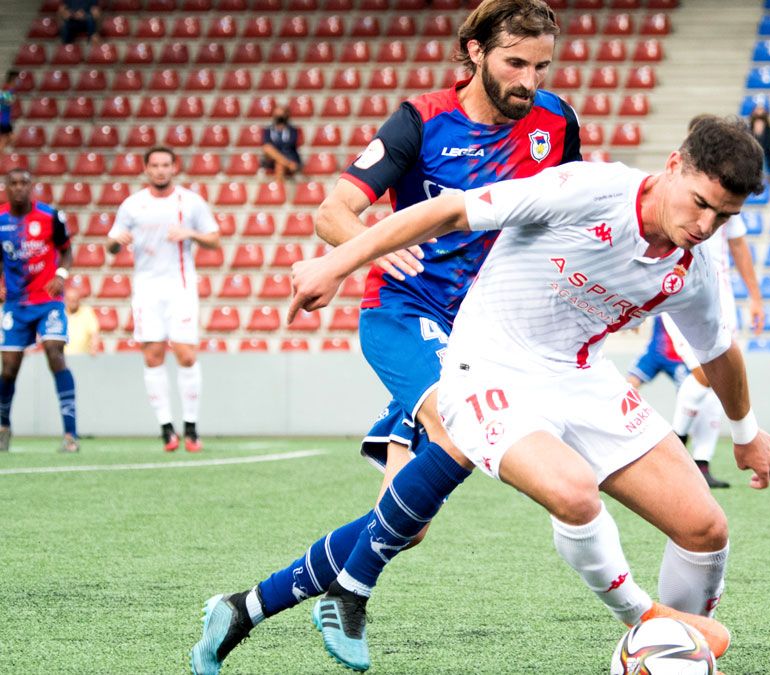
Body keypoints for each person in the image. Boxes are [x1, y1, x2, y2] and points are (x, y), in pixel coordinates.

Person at [288, 114, 770, 671]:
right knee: (572, 492)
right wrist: (338, 263)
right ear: (673, 166)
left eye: (725, 216)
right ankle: (647, 620)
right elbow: (449, 210)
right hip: (488, 366)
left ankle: (659, 660)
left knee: (706, 529)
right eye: (700, 203)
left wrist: (745, 432)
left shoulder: (694, 267)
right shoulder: (590, 190)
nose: (707, 224)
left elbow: (719, 350)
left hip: (580, 376)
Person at [189, 2, 580, 673]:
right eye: (516, 62)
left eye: (541, 65)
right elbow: (332, 211)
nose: (530, 79)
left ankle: (242, 607)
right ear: (474, 52)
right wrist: (367, 249)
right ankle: (351, 590)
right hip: (404, 314)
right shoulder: (420, 120)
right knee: (463, 428)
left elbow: (565, 216)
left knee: (408, 522)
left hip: (483, 338)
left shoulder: (555, 122)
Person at [107, 147, 220, 453]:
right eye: (154, 165)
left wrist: (190, 233)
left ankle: (192, 429)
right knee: (153, 355)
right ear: (146, 168)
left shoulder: (189, 201)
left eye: (165, 165)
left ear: (174, 167)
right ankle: (167, 429)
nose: (160, 170)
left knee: (185, 354)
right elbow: (111, 244)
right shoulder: (133, 205)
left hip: (180, 287)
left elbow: (214, 238)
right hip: (146, 289)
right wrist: (117, 243)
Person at [660, 210, 764, 490]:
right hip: (679, 288)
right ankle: (675, 444)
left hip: (721, 295)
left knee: (720, 378)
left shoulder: (729, 197)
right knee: (704, 372)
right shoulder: (680, 192)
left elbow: (739, 245)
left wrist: (755, 296)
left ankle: (700, 463)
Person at [0, 168, 78, 454]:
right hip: (16, 304)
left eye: (24, 183)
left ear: (31, 186)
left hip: (48, 300)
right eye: (13, 183)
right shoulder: (0, 221)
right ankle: (3, 427)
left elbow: (67, 250)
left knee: (55, 353)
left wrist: (61, 274)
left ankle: (71, 434)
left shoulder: (50, 216)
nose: (19, 188)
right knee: (8, 368)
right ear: (6, 187)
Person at [260, 104, 301, 183]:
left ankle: (279, 191)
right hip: (272, 160)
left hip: (289, 157)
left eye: (281, 115)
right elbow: (266, 144)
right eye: (277, 115)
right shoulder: (269, 130)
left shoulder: (292, 130)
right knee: (267, 148)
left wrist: (279, 155)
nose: (279, 117)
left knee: (279, 165)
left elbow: (290, 145)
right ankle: (287, 164)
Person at [64, 284, 100, 356]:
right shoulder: (60, 314)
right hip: (63, 358)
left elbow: (94, 333)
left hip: (82, 357)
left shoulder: (87, 312)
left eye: (75, 299)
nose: (72, 302)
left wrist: (94, 346)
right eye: (70, 300)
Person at [747, 104, 770, 176]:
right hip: (750, 154)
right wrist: (755, 133)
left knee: (761, 157)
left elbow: (767, 146)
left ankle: (763, 179)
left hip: (765, 155)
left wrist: (760, 134)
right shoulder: (748, 130)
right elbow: (748, 145)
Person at [0, 71, 16, 154]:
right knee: (5, 140)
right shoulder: (5, 92)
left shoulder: (9, 91)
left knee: (11, 139)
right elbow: (9, 101)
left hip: (5, 120)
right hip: (3, 121)